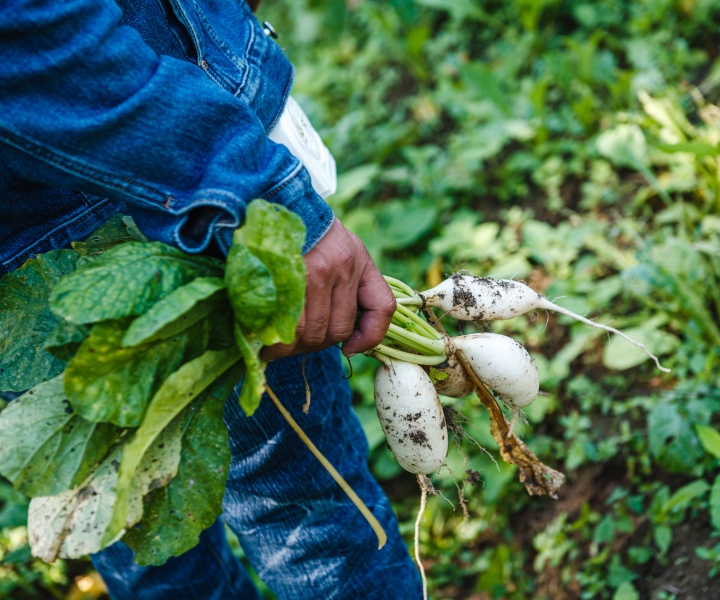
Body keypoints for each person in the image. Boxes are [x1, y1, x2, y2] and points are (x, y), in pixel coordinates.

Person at [0, 0, 423, 597]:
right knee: (303, 516)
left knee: (158, 559)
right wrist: (247, 191)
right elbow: (29, 38)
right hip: (148, 194)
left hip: (67, 208)